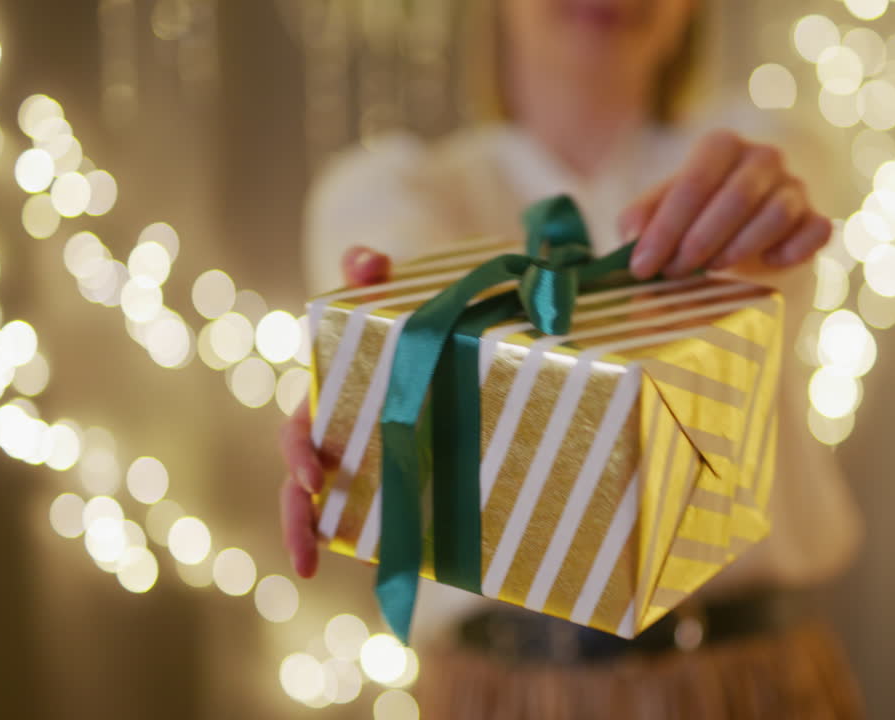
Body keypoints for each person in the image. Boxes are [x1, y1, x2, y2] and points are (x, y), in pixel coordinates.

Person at [279, 0, 863, 716]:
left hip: (755, 684)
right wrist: (384, 369)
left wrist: (755, 237)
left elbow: (772, 261)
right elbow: (403, 301)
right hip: (500, 696)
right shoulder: (389, 190)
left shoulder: (767, 149)